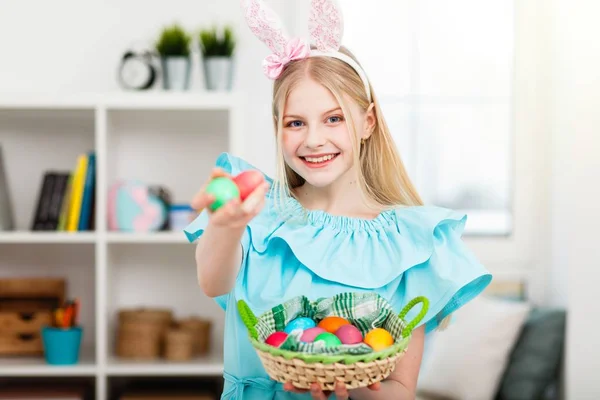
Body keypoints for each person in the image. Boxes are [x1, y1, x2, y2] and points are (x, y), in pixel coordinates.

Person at [184, 0, 492, 399]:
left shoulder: (406, 243)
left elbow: (400, 390)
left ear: (367, 122)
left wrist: (346, 383)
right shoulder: (259, 212)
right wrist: (226, 225)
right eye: (296, 123)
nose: (313, 139)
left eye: (334, 118)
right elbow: (213, 282)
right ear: (278, 129)